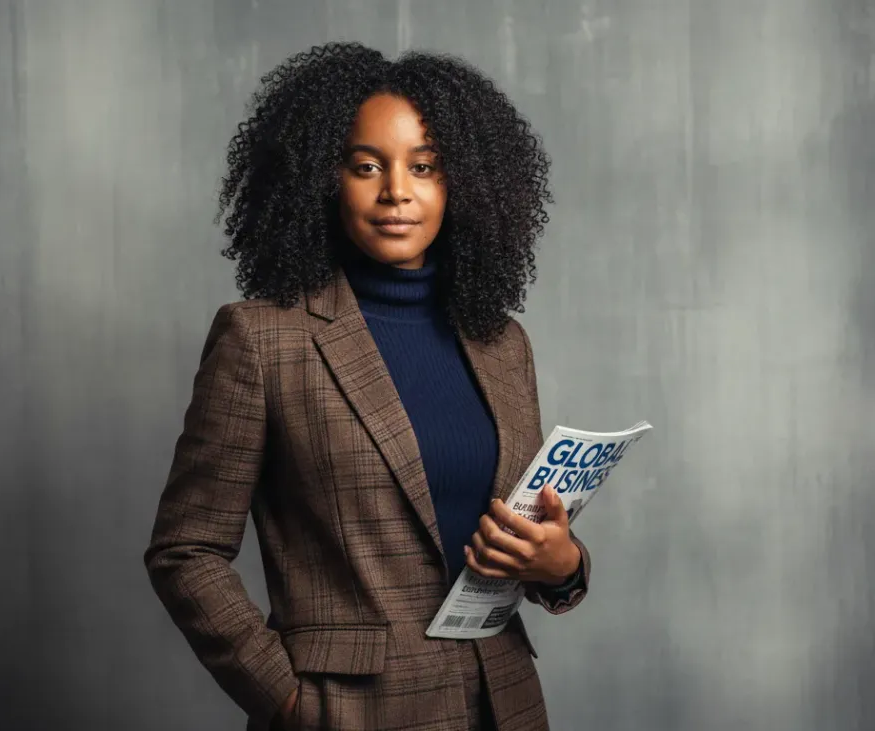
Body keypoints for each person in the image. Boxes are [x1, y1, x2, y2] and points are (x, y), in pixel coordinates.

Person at [144, 42, 591, 731]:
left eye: (424, 166)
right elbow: (186, 550)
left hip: (503, 703)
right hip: (349, 711)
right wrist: (289, 700)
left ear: (464, 182)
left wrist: (562, 564)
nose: (396, 192)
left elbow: (520, 539)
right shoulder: (263, 339)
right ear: (324, 180)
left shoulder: (502, 344)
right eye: (366, 166)